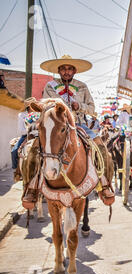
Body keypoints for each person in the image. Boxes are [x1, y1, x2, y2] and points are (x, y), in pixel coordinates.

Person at [22, 55, 115, 208]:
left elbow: (92, 109)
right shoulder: (50, 86)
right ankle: (31, 186)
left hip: (78, 124)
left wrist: (80, 106)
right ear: (59, 71)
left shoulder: (83, 86)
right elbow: (45, 108)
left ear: (74, 71)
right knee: (33, 149)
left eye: (69, 69)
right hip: (55, 126)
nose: (66, 71)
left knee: (101, 147)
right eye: (63, 69)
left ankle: (104, 184)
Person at [11, 102, 32, 180]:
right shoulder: (21, 115)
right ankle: (16, 171)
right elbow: (21, 130)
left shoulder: (38, 114)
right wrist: (29, 131)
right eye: (32, 105)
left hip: (37, 135)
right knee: (14, 151)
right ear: (28, 107)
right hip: (25, 135)